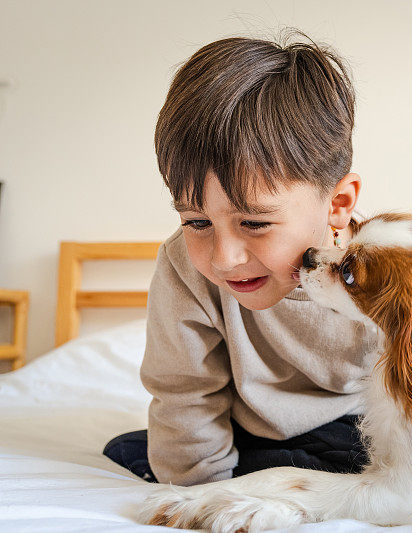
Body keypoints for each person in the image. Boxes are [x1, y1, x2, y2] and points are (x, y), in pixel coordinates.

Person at [102, 29, 378, 486]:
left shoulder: (384, 267)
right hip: (247, 428)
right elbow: (184, 392)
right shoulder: (182, 266)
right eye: (196, 222)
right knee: (139, 446)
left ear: (338, 204)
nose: (225, 259)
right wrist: (207, 491)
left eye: (254, 223)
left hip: (361, 426)